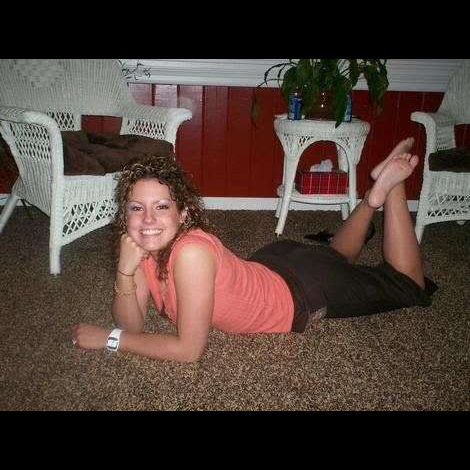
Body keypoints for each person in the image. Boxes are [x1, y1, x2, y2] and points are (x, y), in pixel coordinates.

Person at [71, 137, 437, 362]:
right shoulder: (140, 245)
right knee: (334, 259)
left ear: (182, 214)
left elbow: (188, 350)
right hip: (275, 263)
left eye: (161, 206)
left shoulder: (191, 254)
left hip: (301, 292)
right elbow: (133, 323)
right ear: (125, 214)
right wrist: (124, 271)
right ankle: (372, 198)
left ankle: (393, 186)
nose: (148, 219)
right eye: (137, 208)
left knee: (409, 285)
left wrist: (111, 340)